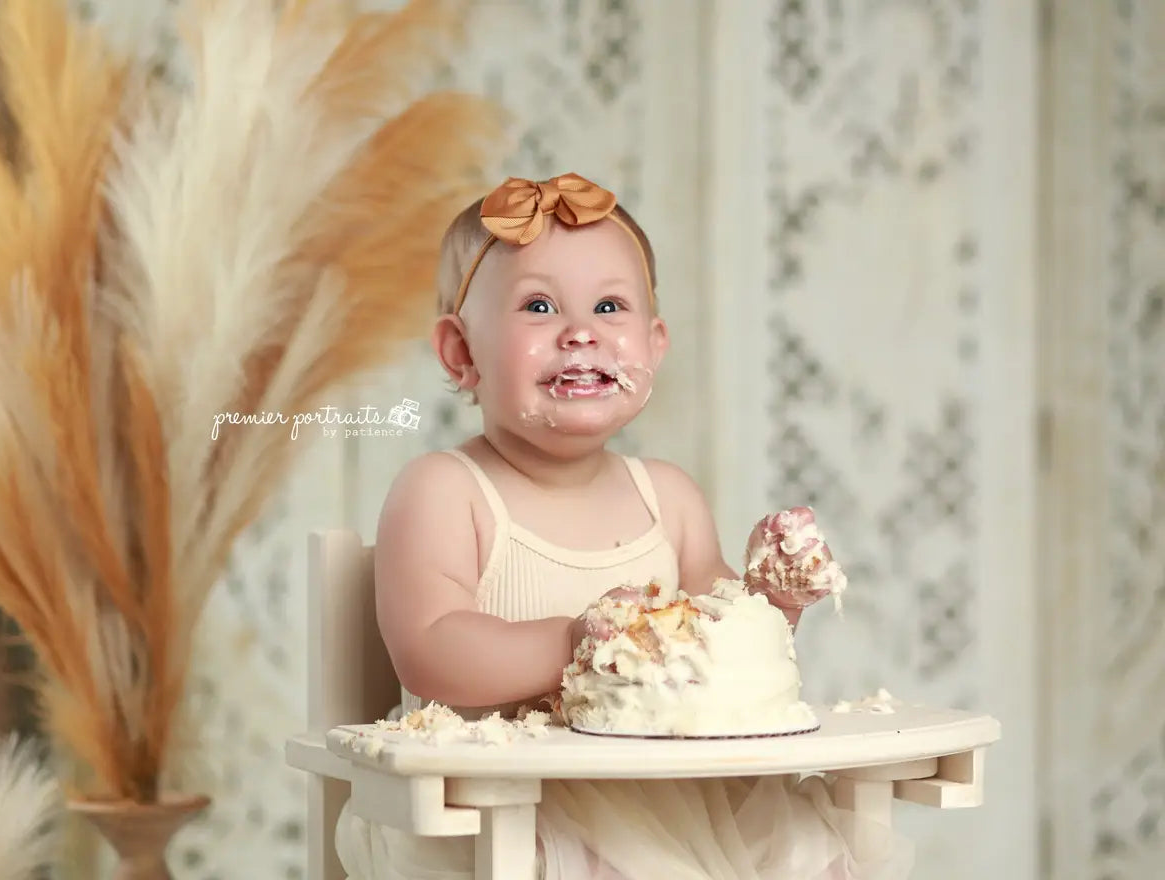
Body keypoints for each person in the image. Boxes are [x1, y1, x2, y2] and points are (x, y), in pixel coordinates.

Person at [335, 173, 913, 879]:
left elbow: (721, 657)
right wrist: (579, 642)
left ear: (653, 344)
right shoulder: (444, 492)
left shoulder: (667, 499)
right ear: (462, 352)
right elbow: (429, 651)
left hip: (667, 792)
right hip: (499, 810)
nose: (581, 332)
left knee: (804, 843)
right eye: (539, 306)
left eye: (610, 306)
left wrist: (773, 603)